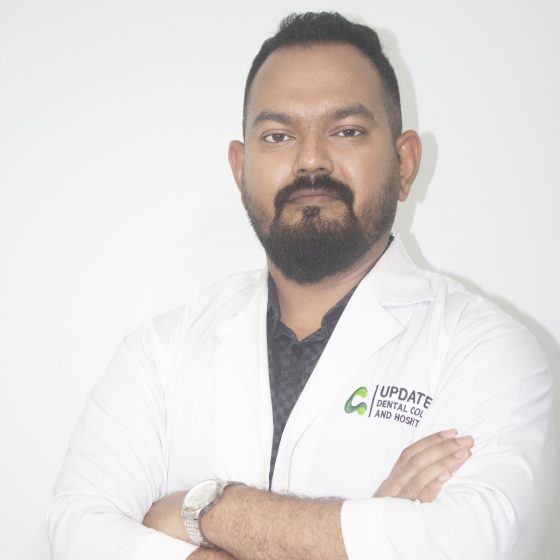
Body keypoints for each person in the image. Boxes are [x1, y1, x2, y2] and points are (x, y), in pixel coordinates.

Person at [46, 12, 555, 560]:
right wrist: (367, 531)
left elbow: (464, 544)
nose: (311, 159)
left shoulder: (485, 349)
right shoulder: (160, 351)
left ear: (405, 163)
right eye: (278, 136)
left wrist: (207, 511)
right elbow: (76, 530)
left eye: (347, 131)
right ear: (240, 168)